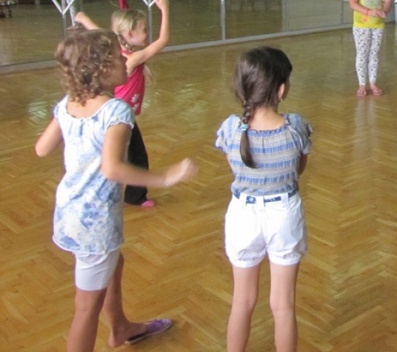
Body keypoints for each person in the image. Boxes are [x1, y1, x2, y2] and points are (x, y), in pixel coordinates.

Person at [34, 27, 196, 352]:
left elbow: (41, 148)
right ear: (101, 69)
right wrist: (166, 177)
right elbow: (112, 168)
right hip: (95, 222)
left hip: (69, 210)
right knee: (86, 309)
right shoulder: (116, 111)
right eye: (117, 56)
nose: (125, 59)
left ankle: (121, 327)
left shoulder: (69, 103)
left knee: (113, 263)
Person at [215, 46, 312, 352]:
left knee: (241, 301)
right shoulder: (296, 127)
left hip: (243, 215)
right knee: (283, 305)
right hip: (284, 214)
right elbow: (298, 170)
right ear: (281, 90)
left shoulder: (231, 129)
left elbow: (236, 166)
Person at [74, 0, 170, 207]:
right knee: (134, 157)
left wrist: (83, 18)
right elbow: (163, 41)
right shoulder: (132, 58)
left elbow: (99, 32)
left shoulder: (118, 48)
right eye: (144, 29)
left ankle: (131, 195)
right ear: (130, 34)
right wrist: (165, 9)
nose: (147, 33)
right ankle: (130, 195)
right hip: (118, 117)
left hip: (120, 115)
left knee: (127, 156)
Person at [348, 0, 392, 97]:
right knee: (362, 54)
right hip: (361, 25)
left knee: (374, 54)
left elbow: (388, 0)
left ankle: (373, 83)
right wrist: (368, 12)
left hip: (378, 25)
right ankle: (362, 84)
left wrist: (384, 11)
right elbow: (352, 3)